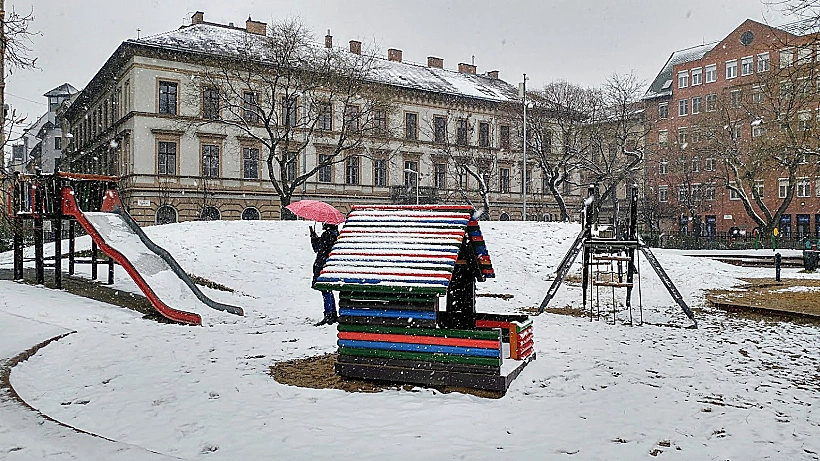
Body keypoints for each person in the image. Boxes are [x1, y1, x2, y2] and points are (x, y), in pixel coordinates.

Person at [310, 222, 339, 326]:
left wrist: (313, 238)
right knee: (328, 290)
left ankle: (328, 315)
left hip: (322, 265)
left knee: (325, 291)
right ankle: (333, 314)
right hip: (329, 265)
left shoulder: (327, 235)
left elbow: (317, 248)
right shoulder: (335, 234)